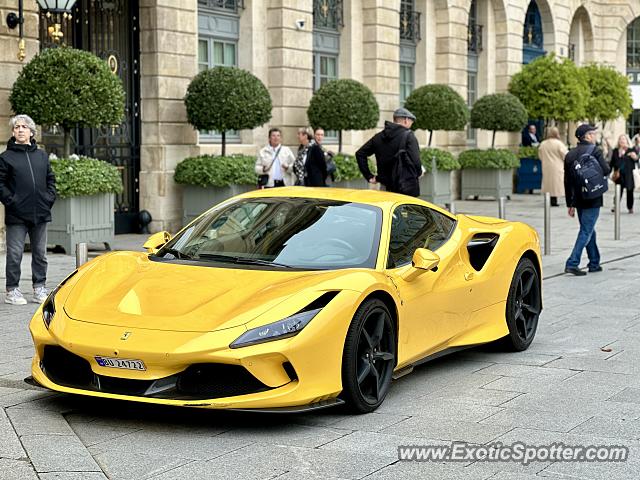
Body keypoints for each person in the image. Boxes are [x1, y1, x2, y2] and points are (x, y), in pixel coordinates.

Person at [0, 114, 56, 305]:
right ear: (13, 132)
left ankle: (39, 288)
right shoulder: (6, 157)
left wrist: (48, 199)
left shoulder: (41, 155)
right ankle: (12, 290)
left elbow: (51, 180)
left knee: (40, 253)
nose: (20, 129)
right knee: (15, 254)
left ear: (32, 132)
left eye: (24, 127)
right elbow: (0, 184)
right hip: (16, 214)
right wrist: (11, 201)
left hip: (40, 213)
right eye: (17, 127)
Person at [563, 124, 610, 276]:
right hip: (593, 196)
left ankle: (594, 262)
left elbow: (567, 181)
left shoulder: (570, 154)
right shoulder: (595, 151)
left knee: (589, 228)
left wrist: (570, 203)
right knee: (586, 230)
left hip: (578, 198)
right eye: (593, 133)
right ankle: (572, 262)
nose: (595, 136)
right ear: (587, 136)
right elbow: (606, 170)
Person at [355, 107, 421, 196]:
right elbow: (416, 161)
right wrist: (419, 173)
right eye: (411, 122)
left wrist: (369, 176)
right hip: (406, 187)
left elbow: (360, 153)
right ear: (406, 120)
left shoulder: (378, 137)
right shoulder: (409, 136)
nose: (411, 125)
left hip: (385, 187)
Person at [538, 126, 567, 207]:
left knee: (548, 184)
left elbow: (540, 155)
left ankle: (550, 199)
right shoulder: (559, 143)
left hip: (547, 166)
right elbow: (565, 155)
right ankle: (554, 199)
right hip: (557, 166)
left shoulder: (543, 144)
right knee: (556, 184)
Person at [609, 134, 636, 214]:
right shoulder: (615, 151)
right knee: (618, 191)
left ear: (627, 141)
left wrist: (634, 157)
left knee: (630, 191)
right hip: (619, 174)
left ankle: (630, 207)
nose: (622, 141)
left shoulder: (631, 150)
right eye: (620, 139)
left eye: (624, 139)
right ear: (618, 141)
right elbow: (613, 163)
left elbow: (635, 161)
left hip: (628, 174)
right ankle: (615, 205)